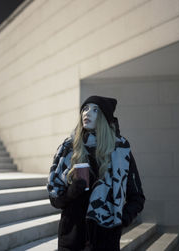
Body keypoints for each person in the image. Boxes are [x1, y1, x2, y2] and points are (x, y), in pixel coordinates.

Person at [47, 95, 145, 251]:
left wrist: (119, 221)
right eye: (85, 109)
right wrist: (71, 193)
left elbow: (137, 197)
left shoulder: (120, 150)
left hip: (105, 241)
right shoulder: (67, 149)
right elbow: (55, 199)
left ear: (104, 118)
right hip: (71, 239)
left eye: (95, 110)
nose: (87, 113)